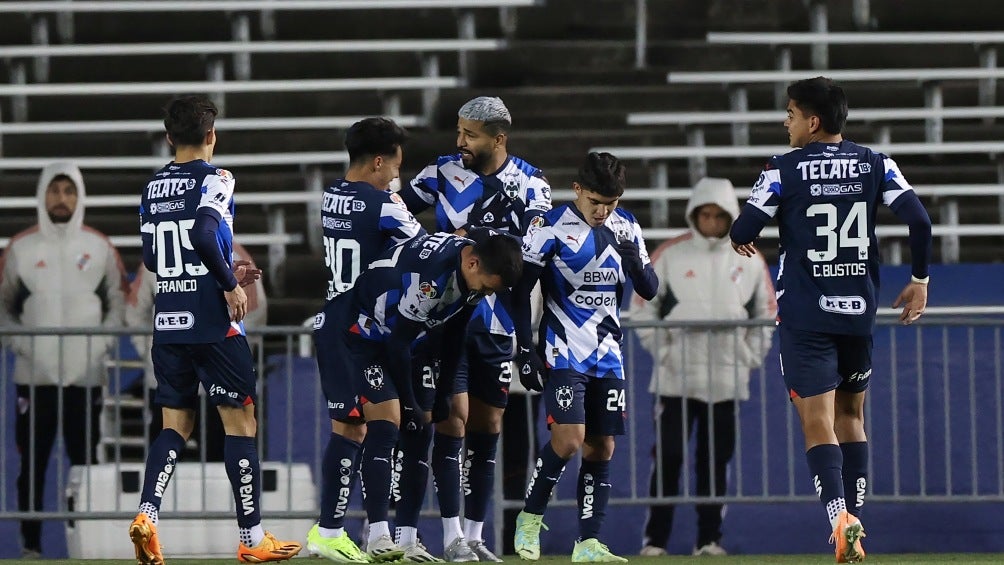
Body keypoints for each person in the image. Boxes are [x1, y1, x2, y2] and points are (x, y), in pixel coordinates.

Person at [729, 77, 932, 564]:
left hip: (805, 315)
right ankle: (857, 524)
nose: (786, 122)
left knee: (817, 422)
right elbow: (920, 221)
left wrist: (744, 235)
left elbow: (742, 229)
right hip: (857, 314)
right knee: (852, 418)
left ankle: (838, 516)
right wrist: (920, 279)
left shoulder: (782, 169)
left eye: (791, 114)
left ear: (812, 121)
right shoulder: (874, 163)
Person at [129, 95, 302, 564]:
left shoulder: (152, 188)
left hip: (168, 322)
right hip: (213, 324)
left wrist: (220, 270)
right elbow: (204, 235)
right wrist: (228, 284)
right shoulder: (217, 178)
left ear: (169, 137)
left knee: (174, 425)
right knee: (240, 422)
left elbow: (151, 259)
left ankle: (147, 514)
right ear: (211, 136)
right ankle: (251, 538)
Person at [398, 95, 551, 561]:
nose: (459, 141)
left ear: (498, 138)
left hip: (500, 322)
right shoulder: (441, 172)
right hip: (447, 316)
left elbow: (534, 257)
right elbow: (395, 216)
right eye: (459, 131)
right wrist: (437, 244)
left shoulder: (531, 183)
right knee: (452, 420)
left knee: (490, 424)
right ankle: (451, 536)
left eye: (470, 134)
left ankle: (476, 533)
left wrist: (528, 341)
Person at [311, 229, 523, 563]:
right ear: (472, 263)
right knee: (388, 421)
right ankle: (377, 534)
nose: (484, 293)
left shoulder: (476, 268)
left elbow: (455, 332)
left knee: (420, 430)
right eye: (484, 286)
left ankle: (406, 538)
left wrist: (443, 394)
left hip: (407, 336)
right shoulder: (433, 280)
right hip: (361, 334)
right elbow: (396, 345)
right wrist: (410, 402)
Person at [512, 152, 659, 563]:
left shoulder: (627, 225)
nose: (602, 210)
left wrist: (633, 260)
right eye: (595, 201)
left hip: (608, 352)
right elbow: (520, 290)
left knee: (602, 446)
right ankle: (529, 518)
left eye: (610, 202)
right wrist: (525, 348)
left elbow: (649, 288)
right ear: (577, 190)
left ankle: (588, 542)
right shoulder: (549, 227)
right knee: (570, 439)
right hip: (563, 350)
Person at [633, 177, 777, 557]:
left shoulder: (750, 259)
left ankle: (709, 540)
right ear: (694, 214)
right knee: (668, 460)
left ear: (730, 217)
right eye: (706, 214)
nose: (712, 221)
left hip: (727, 382)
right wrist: (664, 353)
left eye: (719, 215)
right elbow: (641, 307)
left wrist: (747, 360)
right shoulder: (670, 254)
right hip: (675, 380)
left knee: (714, 463)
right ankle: (655, 542)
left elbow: (767, 315)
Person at [304, 116, 425, 563]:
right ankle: (330, 531)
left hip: (342, 319)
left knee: (380, 420)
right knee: (352, 427)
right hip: (353, 327)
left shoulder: (332, 195)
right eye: (395, 165)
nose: (398, 175)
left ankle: (373, 532)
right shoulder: (385, 204)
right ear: (378, 161)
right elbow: (424, 248)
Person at [0, 161, 127, 559]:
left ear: (80, 195)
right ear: (42, 195)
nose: (61, 199)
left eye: (69, 191)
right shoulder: (20, 248)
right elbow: (2, 309)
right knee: (32, 467)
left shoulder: (100, 247)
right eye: (54, 191)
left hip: (85, 379)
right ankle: (32, 548)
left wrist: (98, 347)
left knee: (85, 466)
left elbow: (119, 304)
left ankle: (87, 545)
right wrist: (25, 347)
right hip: (33, 380)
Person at [126, 242, 268, 461]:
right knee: (164, 465)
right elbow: (135, 313)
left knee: (222, 465)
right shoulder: (160, 251)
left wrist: (226, 359)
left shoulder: (233, 252)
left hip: (220, 387)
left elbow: (255, 313)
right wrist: (158, 356)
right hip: (170, 382)